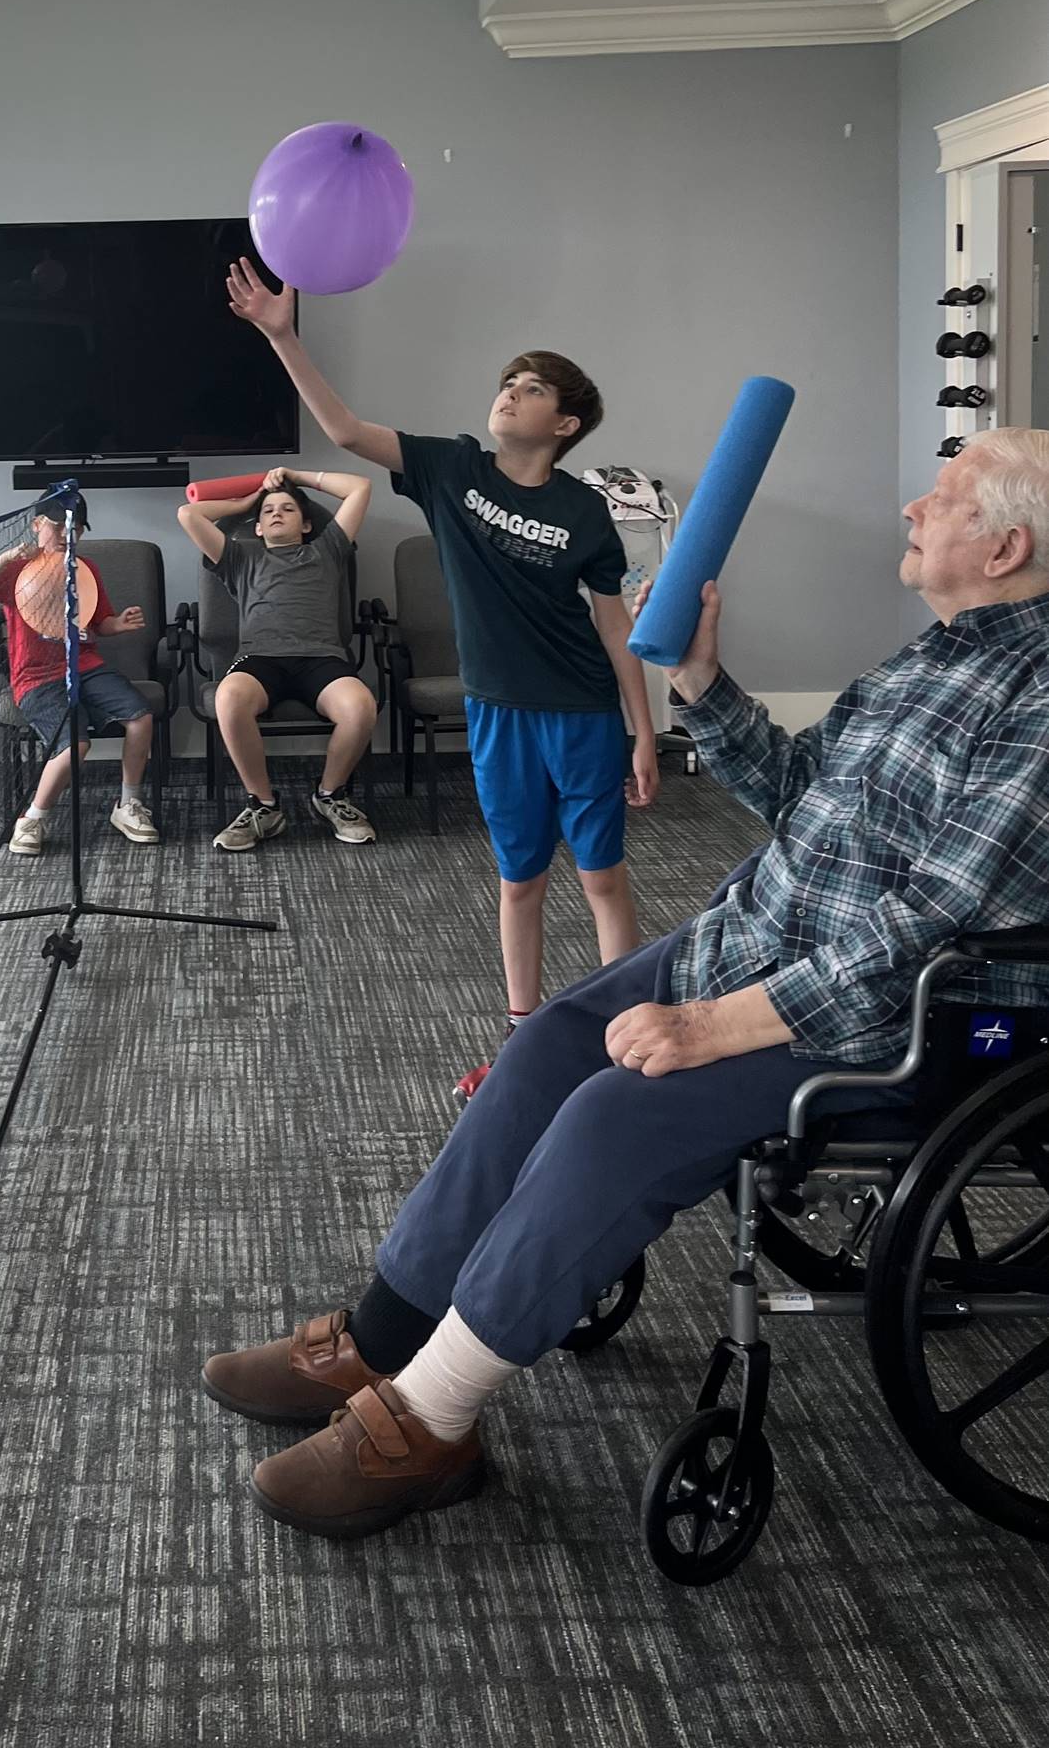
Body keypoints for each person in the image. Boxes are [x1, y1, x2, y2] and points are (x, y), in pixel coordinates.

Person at [201, 429, 1049, 1538]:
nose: (910, 511)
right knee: (551, 1041)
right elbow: (799, 790)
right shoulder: (929, 659)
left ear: (1006, 548)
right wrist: (699, 674)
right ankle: (381, 1331)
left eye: (940, 498)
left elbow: (931, 922)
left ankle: (433, 1419)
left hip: (895, 1017)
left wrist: (720, 1025)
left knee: (618, 1111)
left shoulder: (1034, 697)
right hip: (765, 940)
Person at [225, 260, 659, 1064]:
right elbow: (348, 431)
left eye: (532, 388)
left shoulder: (583, 510)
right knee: (519, 880)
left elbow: (612, 627)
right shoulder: (450, 468)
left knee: (602, 877)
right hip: (497, 712)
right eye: (509, 380)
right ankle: (522, 1030)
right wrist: (281, 335)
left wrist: (643, 730)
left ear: (565, 424)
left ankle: (628, 1029)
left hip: (582, 710)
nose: (510, 391)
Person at [177, 464, 377, 850]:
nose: (276, 514)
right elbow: (189, 513)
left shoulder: (329, 548)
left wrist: (297, 478)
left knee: (360, 706)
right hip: (260, 659)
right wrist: (249, 499)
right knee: (228, 698)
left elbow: (360, 487)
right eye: (268, 512)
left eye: (287, 509)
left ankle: (330, 795)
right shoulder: (238, 558)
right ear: (257, 527)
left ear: (305, 525)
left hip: (322, 659)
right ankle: (264, 807)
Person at [0, 492, 159, 856]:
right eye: (57, 525)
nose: (66, 533)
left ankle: (128, 805)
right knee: (76, 745)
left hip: (87, 667)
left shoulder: (86, 570)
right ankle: (33, 819)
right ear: (37, 525)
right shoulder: (17, 570)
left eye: (76, 527)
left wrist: (119, 624)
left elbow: (99, 623)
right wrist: (7, 556)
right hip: (37, 677)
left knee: (140, 717)